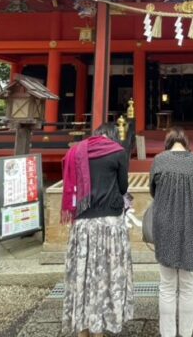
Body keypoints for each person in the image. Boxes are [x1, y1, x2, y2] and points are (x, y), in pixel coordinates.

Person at [61, 124, 134, 336]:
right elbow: (122, 187)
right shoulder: (118, 152)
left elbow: (69, 183)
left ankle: (83, 327)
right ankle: (102, 323)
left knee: (82, 276)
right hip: (110, 225)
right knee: (107, 277)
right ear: (112, 137)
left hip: (83, 224)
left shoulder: (75, 152)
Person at [149, 127, 193, 337]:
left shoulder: (159, 160)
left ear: (168, 143)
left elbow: (153, 191)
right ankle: (185, 334)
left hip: (164, 225)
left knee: (166, 285)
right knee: (188, 285)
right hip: (191, 224)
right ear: (185, 143)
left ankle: (167, 334)